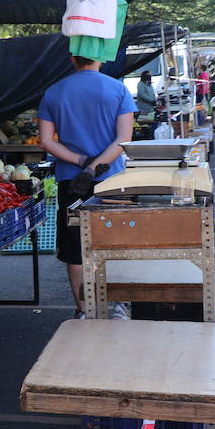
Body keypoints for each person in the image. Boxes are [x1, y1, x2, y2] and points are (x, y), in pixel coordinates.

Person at [37, 55, 137, 320]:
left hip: (72, 183)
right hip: (113, 182)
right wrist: (97, 167)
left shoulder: (54, 92)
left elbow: (46, 141)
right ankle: (119, 306)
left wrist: (83, 163)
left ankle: (84, 311)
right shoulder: (117, 89)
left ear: (71, 58)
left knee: (75, 249)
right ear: (101, 57)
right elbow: (124, 138)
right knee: (116, 243)